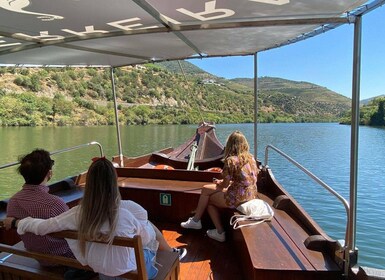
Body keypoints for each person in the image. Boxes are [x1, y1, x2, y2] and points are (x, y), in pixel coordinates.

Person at [5, 157, 186, 279]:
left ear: (89, 183)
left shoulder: (77, 213)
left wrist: (15, 222)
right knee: (150, 235)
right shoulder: (129, 212)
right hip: (130, 272)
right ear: (114, 183)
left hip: (101, 271)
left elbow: (42, 226)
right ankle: (173, 254)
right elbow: (147, 240)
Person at [181, 130, 259, 242]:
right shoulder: (250, 158)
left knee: (207, 196)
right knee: (208, 190)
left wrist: (221, 183)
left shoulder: (231, 161)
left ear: (230, 145)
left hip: (238, 197)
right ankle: (196, 221)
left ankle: (214, 229)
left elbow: (224, 186)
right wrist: (223, 182)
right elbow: (244, 179)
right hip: (250, 194)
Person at [6, 149, 75, 264]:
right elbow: (74, 233)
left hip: (38, 257)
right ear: (49, 173)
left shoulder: (13, 202)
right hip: (65, 258)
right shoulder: (54, 203)